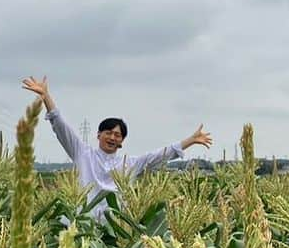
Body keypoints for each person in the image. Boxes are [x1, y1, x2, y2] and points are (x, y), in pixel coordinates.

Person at [21, 76, 213, 221]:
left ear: (121, 141)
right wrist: (46, 97)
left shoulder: (129, 164)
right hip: (81, 224)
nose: (113, 137)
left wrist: (191, 140)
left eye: (118, 135)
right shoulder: (83, 154)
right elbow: (61, 127)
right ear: (98, 135)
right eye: (108, 133)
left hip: (113, 231)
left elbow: (162, 155)